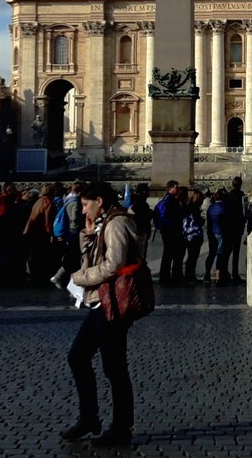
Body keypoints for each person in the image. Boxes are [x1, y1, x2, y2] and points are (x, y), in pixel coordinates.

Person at [64, 184, 141, 448]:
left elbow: (113, 265)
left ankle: (120, 427)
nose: (83, 210)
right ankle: (90, 418)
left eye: (86, 204)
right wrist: (87, 235)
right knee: (79, 357)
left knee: (114, 367)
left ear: (99, 200)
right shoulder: (103, 223)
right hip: (102, 301)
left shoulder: (116, 223)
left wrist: (79, 278)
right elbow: (93, 258)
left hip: (113, 303)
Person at [153, 181, 184, 285]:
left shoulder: (166, 199)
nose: (178, 189)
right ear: (171, 188)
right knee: (170, 253)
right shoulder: (171, 200)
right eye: (176, 187)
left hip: (166, 229)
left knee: (168, 253)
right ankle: (167, 276)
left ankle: (165, 275)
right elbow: (176, 215)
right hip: (171, 230)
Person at [222, 177, 246, 281]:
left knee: (227, 251)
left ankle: (224, 271)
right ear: (240, 185)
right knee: (236, 252)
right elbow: (244, 211)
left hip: (228, 227)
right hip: (237, 227)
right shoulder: (241, 196)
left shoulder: (227, 196)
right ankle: (235, 274)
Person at [181, 189, 205, 284]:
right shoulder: (194, 209)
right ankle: (190, 276)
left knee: (191, 256)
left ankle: (189, 275)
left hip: (188, 235)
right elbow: (196, 222)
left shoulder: (187, 207)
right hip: (194, 235)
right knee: (193, 257)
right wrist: (201, 221)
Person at [204, 189, 227, 283]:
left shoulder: (211, 207)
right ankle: (218, 275)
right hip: (221, 232)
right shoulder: (224, 207)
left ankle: (207, 274)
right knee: (220, 254)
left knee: (211, 253)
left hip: (211, 233)